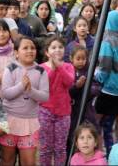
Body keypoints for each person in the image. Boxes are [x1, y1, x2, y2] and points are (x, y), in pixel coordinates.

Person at [0, 36, 49, 166]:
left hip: (30, 122)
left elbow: (45, 96)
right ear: (16, 53)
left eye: (32, 48)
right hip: (9, 120)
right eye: (25, 48)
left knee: (29, 162)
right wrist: (21, 86)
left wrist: (30, 91)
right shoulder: (10, 68)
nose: (30, 51)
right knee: (7, 159)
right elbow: (6, 94)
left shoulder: (41, 71)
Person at [94, 11, 118, 151]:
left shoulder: (107, 42)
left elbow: (105, 66)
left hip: (110, 90)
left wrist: (97, 76)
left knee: (97, 121)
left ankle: (104, 152)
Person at [39, 36, 75, 166]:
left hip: (63, 113)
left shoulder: (68, 66)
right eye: (53, 47)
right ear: (47, 52)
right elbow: (43, 85)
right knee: (45, 148)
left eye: (60, 47)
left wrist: (59, 66)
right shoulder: (40, 67)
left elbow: (69, 82)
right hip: (45, 112)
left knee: (60, 148)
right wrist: (53, 68)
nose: (57, 50)